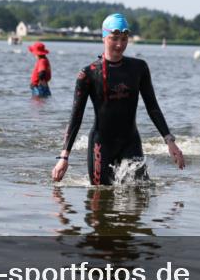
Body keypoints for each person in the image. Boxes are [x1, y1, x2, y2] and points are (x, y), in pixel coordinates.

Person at [52, 13, 185, 186]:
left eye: (124, 38)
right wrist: (64, 156)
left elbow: (153, 107)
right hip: (101, 146)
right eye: (114, 38)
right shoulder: (89, 73)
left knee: (139, 196)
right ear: (104, 37)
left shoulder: (139, 68)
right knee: (99, 203)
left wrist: (169, 141)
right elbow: (76, 116)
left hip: (131, 142)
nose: (119, 44)